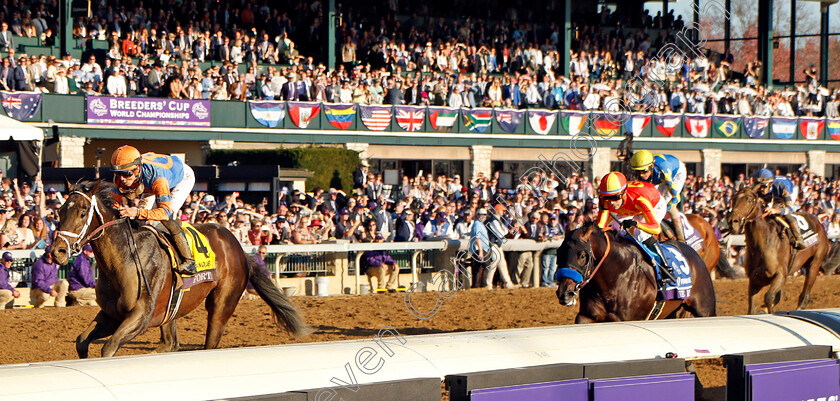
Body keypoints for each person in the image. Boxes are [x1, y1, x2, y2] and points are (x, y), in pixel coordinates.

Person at [110, 145, 197, 275]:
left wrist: (137, 212)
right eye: (118, 174)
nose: (122, 179)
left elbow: (164, 212)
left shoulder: (158, 179)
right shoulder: (122, 177)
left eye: (126, 174)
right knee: (141, 218)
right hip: (148, 183)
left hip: (181, 178)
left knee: (164, 219)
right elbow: (112, 202)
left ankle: (188, 260)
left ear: (137, 169)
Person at [596, 172, 677, 283]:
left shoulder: (639, 199)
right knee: (616, 230)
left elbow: (655, 228)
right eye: (607, 198)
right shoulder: (607, 200)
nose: (611, 203)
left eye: (615, 197)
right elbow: (600, 226)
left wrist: (636, 223)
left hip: (654, 204)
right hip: (628, 207)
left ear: (624, 193)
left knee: (641, 234)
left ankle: (665, 268)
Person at [631, 150, 687, 242]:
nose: (641, 175)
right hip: (658, 174)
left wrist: (664, 209)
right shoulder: (645, 170)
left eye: (644, 171)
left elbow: (676, 198)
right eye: (637, 172)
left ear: (651, 166)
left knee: (663, 202)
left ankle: (681, 239)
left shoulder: (664, 173)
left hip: (676, 173)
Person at [752, 168, 805, 248]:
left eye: (764, 186)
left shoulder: (783, 187)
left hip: (784, 191)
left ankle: (799, 238)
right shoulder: (757, 190)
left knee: (786, 214)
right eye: (759, 185)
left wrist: (776, 210)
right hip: (772, 195)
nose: (761, 189)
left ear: (770, 183)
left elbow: (790, 209)